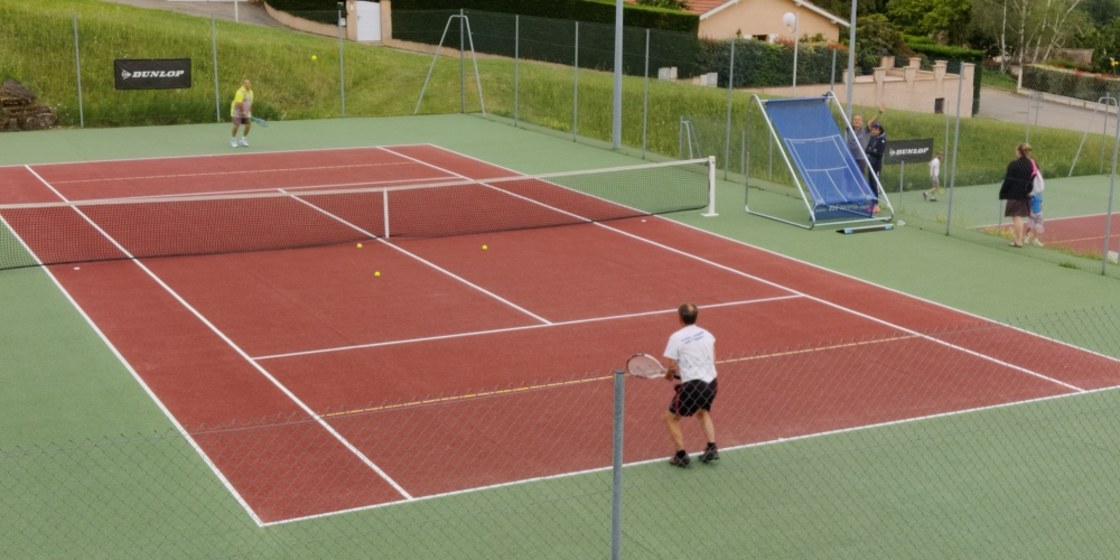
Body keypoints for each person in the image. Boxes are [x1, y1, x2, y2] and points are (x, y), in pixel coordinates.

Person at [662, 303, 719, 467]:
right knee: (702, 412)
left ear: (679, 317)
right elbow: (713, 359)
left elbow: (672, 367)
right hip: (711, 383)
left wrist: (668, 376)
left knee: (670, 418)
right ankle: (711, 447)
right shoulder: (707, 334)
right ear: (696, 317)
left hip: (693, 385)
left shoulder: (676, 337)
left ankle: (680, 454)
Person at [999, 143, 1035, 248]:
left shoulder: (1013, 164)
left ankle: (1018, 241)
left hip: (1015, 193)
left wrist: (1003, 192)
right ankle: (1017, 240)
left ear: (1019, 152)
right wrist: (1028, 191)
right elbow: (1032, 180)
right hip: (1025, 193)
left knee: (1016, 217)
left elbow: (1008, 180)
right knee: (1018, 216)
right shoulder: (1030, 164)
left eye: (1016, 150)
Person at [845, 103, 885, 175]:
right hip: (849, 158)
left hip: (860, 159)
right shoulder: (849, 129)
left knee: (859, 179)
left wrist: (879, 113)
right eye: (855, 120)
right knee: (849, 179)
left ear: (862, 122)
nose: (856, 121)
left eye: (859, 120)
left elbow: (871, 122)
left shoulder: (865, 130)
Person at [864, 121, 887, 213]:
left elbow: (879, 154)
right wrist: (872, 150)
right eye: (873, 129)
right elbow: (867, 149)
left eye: (876, 129)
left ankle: (876, 205)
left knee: (874, 184)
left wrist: (871, 150)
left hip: (876, 165)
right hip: (871, 163)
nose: (873, 131)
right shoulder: (872, 138)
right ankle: (872, 204)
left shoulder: (882, 140)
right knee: (870, 184)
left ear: (880, 130)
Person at [1025, 158, 1045, 246]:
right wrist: (1030, 212)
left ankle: (1035, 239)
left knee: (1038, 226)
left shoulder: (1039, 191)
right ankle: (1026, 237)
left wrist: (1040, 210)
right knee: (1030, 226)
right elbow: (1028, 203)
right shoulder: (1031, 193)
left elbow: (1040, 202)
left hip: (1039, 211)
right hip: (1032, 212)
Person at [229, 79, 254, 148]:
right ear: (243, 84)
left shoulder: (251, 92)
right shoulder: (240, 92)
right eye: (246, 83)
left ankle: (243, 138)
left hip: (246, 111)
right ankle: (233, 139)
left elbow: (250, 103)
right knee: (236, 125)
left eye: (249, 83)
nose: (248, 84)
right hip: (237, 111)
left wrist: (249, 111)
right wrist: (244, 112)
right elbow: (239, 103)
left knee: (248, 124)